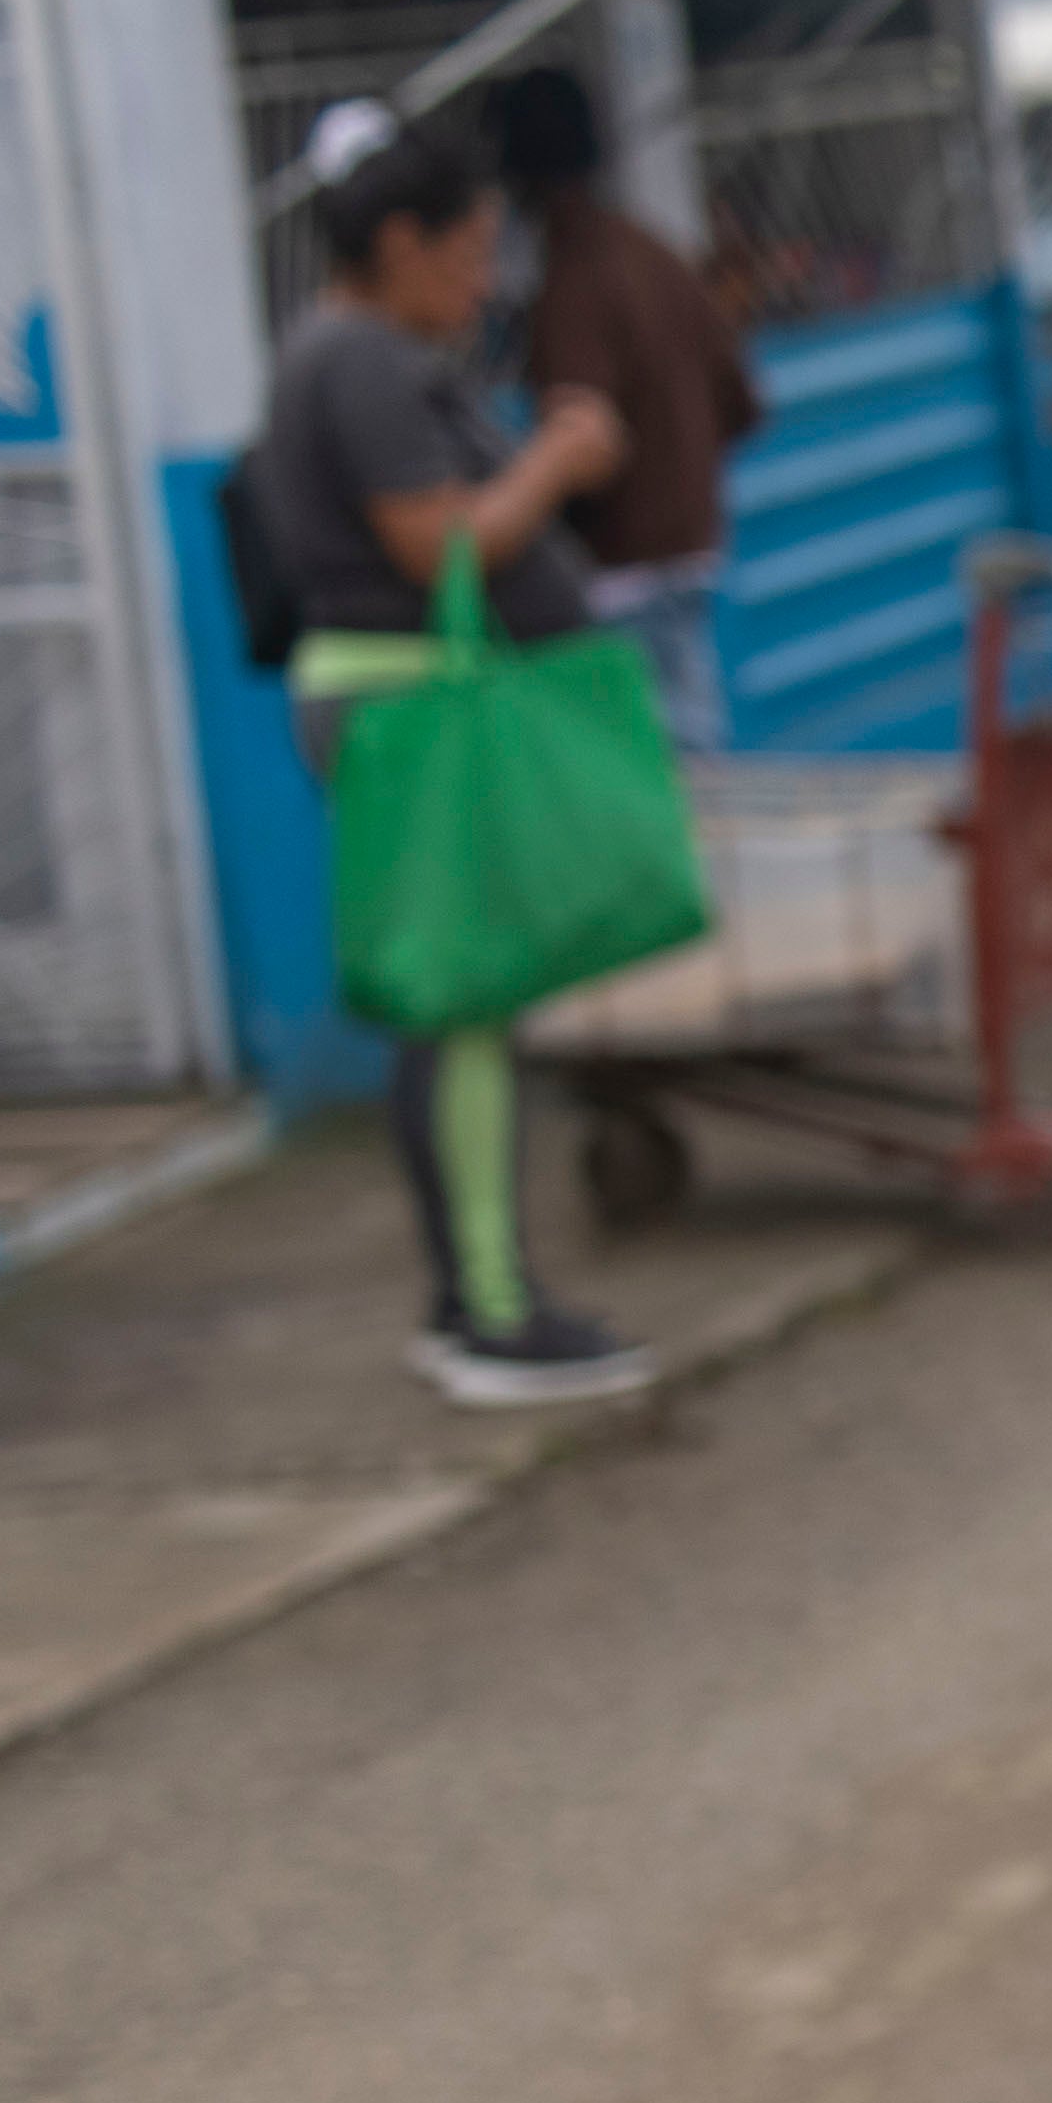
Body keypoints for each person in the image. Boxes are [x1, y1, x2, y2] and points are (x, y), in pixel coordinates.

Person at [239, 113, 662, 1407]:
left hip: (407, 698)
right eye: (469, 253)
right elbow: (441, 549)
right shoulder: (359, 364)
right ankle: (486, 1307)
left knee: (465, 1002)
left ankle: (481, 1296)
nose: (485, 281)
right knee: (463, 1006)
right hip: (413, 701)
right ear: (400, 241)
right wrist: (557, 459)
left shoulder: (370, 353)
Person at [482, 65, 764, 754]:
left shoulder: (573, 285)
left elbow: (584, 444)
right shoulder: (653, 252)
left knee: (662, 785)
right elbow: (744, 402)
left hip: (626, 576)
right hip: (690, 552)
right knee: (688, 767)